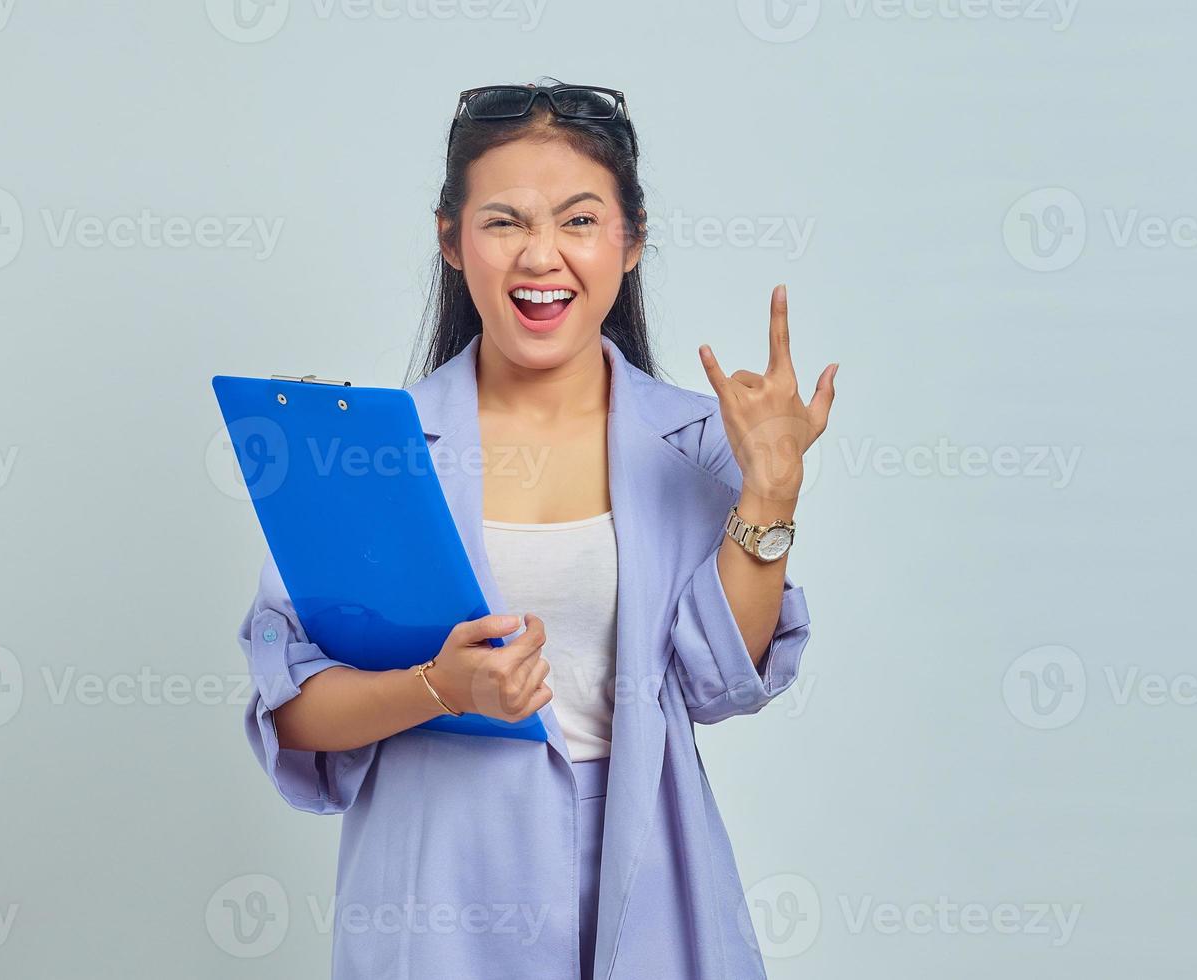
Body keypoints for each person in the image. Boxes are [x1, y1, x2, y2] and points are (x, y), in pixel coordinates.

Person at [236, 76, 838, 980]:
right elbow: (293, 709)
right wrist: (440, 689)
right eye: (505, 221)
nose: (541, 256)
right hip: (440, 885)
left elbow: (718, 683)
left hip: (649, 873)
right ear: (452, 240)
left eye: (580, 221)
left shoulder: (701, 441)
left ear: (631, 241)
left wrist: (771, 495)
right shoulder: (366, 450)